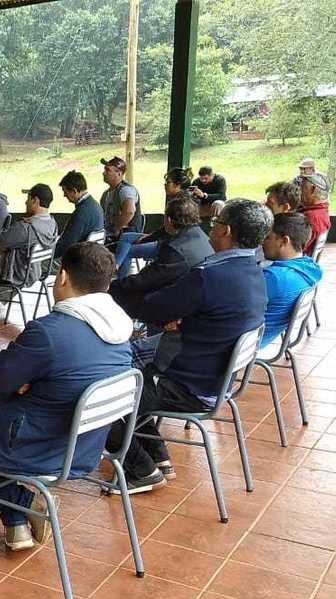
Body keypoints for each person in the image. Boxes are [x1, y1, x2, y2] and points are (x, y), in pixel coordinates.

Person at [0, 242, 132, 550]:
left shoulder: (51, 332)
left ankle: (22, 502)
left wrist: (22, 382)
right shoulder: (121, 329)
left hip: (29, 443)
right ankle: (16, 521)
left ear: (62, 278)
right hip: (84, 447)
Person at [105, 199, 270, 493]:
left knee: (101, 397)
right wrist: (183, 315)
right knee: (135, 379)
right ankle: (159, 458)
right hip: (215, 382)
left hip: (186, 385)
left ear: (226, 231)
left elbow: (154, 308)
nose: (211, 227)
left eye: (216, 223)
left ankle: (141, 470)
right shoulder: (253, 271)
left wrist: (174, 314)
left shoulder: (209, 276)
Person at [109, 194, 214, 318]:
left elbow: (144, 280)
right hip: (193, 297)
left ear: (168, 220)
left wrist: (111, 284)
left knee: (116, 293)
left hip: (174, 304)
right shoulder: (201, 236)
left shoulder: (175, 250)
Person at [0, 184, 59, 313]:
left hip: (16, 273)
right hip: (33, 271)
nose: (26, 202)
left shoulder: (25, 228)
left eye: (28, 198)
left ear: (35, 200)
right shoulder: (52, 224)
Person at [114, 167, 191, 279]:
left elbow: (167, 231)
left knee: (128, 252)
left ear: (177, 185)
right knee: (126, 236)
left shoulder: (179, 204)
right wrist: (148, 237)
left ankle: (119, 279)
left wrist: (146, 239)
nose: (165, 185)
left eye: (168, 182)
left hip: (166, 246)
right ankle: (115, 267)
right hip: (162, 240)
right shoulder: (179, 199)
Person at [260, 212, 323, 348]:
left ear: (284, 241)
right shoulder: (310, 268)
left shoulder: (274, 278)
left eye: (268, 237)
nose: (262, 242)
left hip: (245, 345)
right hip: (261, 339)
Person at [55, 170, 105, 259]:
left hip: (77, 261)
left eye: (65, 191)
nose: (64, 195)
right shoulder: (95, 205)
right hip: (92, 255)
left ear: (74, 191)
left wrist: (50, 254)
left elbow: (67, 244)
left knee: (32, 264)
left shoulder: (81, 212)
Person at [100, 156, 143, 239]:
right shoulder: (106, 194)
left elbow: (129, 211)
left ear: (119, 174)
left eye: (108, 170)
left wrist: (117, 228)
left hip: (127, 238)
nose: (104, 173)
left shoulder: (125, 190)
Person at [298, 173, 331, 254]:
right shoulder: (322, 211)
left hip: (295, 263)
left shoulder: (312, 217)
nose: (299, 191)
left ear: (313, 190)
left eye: (302, 187)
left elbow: (294, 249)